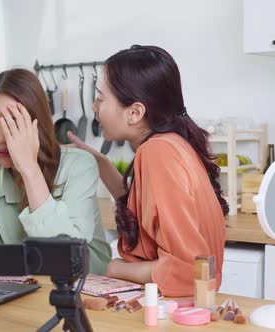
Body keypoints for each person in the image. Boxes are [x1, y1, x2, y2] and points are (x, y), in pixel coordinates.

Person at [67, 45, 227, 296]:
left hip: (172, 311)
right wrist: (100, 162)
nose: (95, 108)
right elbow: (151, 214)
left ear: (135, 112)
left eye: (100, 98)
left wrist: (115, 268)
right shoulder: (172, 144)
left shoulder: (158, 153)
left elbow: (188, 270)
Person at [0, 68, 111, 274]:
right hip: (22, 287)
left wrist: (29, 169)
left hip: (83, 288)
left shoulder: (79, 165)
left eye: (13, 124)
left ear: (37, 124)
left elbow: (67, 254)